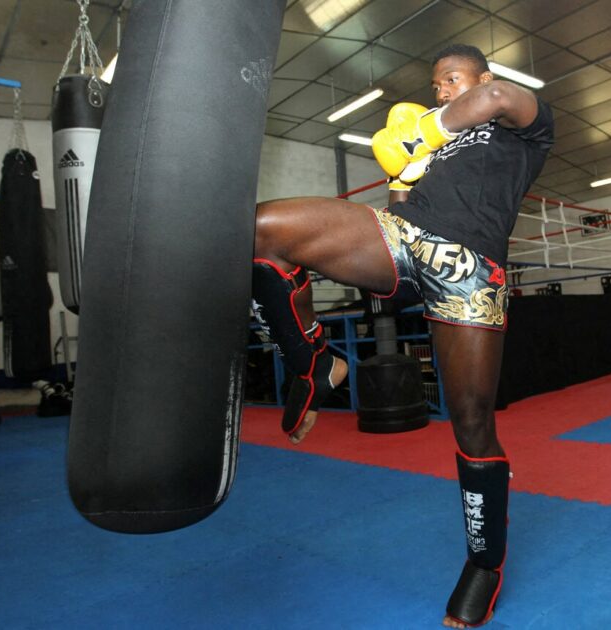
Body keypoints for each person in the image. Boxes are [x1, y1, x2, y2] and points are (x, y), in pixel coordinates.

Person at [251, 43, 554, 628]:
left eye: (452, 79)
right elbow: (401, 210)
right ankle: (314, 360)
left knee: (471, 420)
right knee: (261, 232)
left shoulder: (521, 128)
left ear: (481, 75)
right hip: (402, 241)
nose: (442, 90)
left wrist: (426, 131)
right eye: (436, 84)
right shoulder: (436, 146)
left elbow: (495, 98)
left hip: (469, 271)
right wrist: (404, 172)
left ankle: (484, 564)